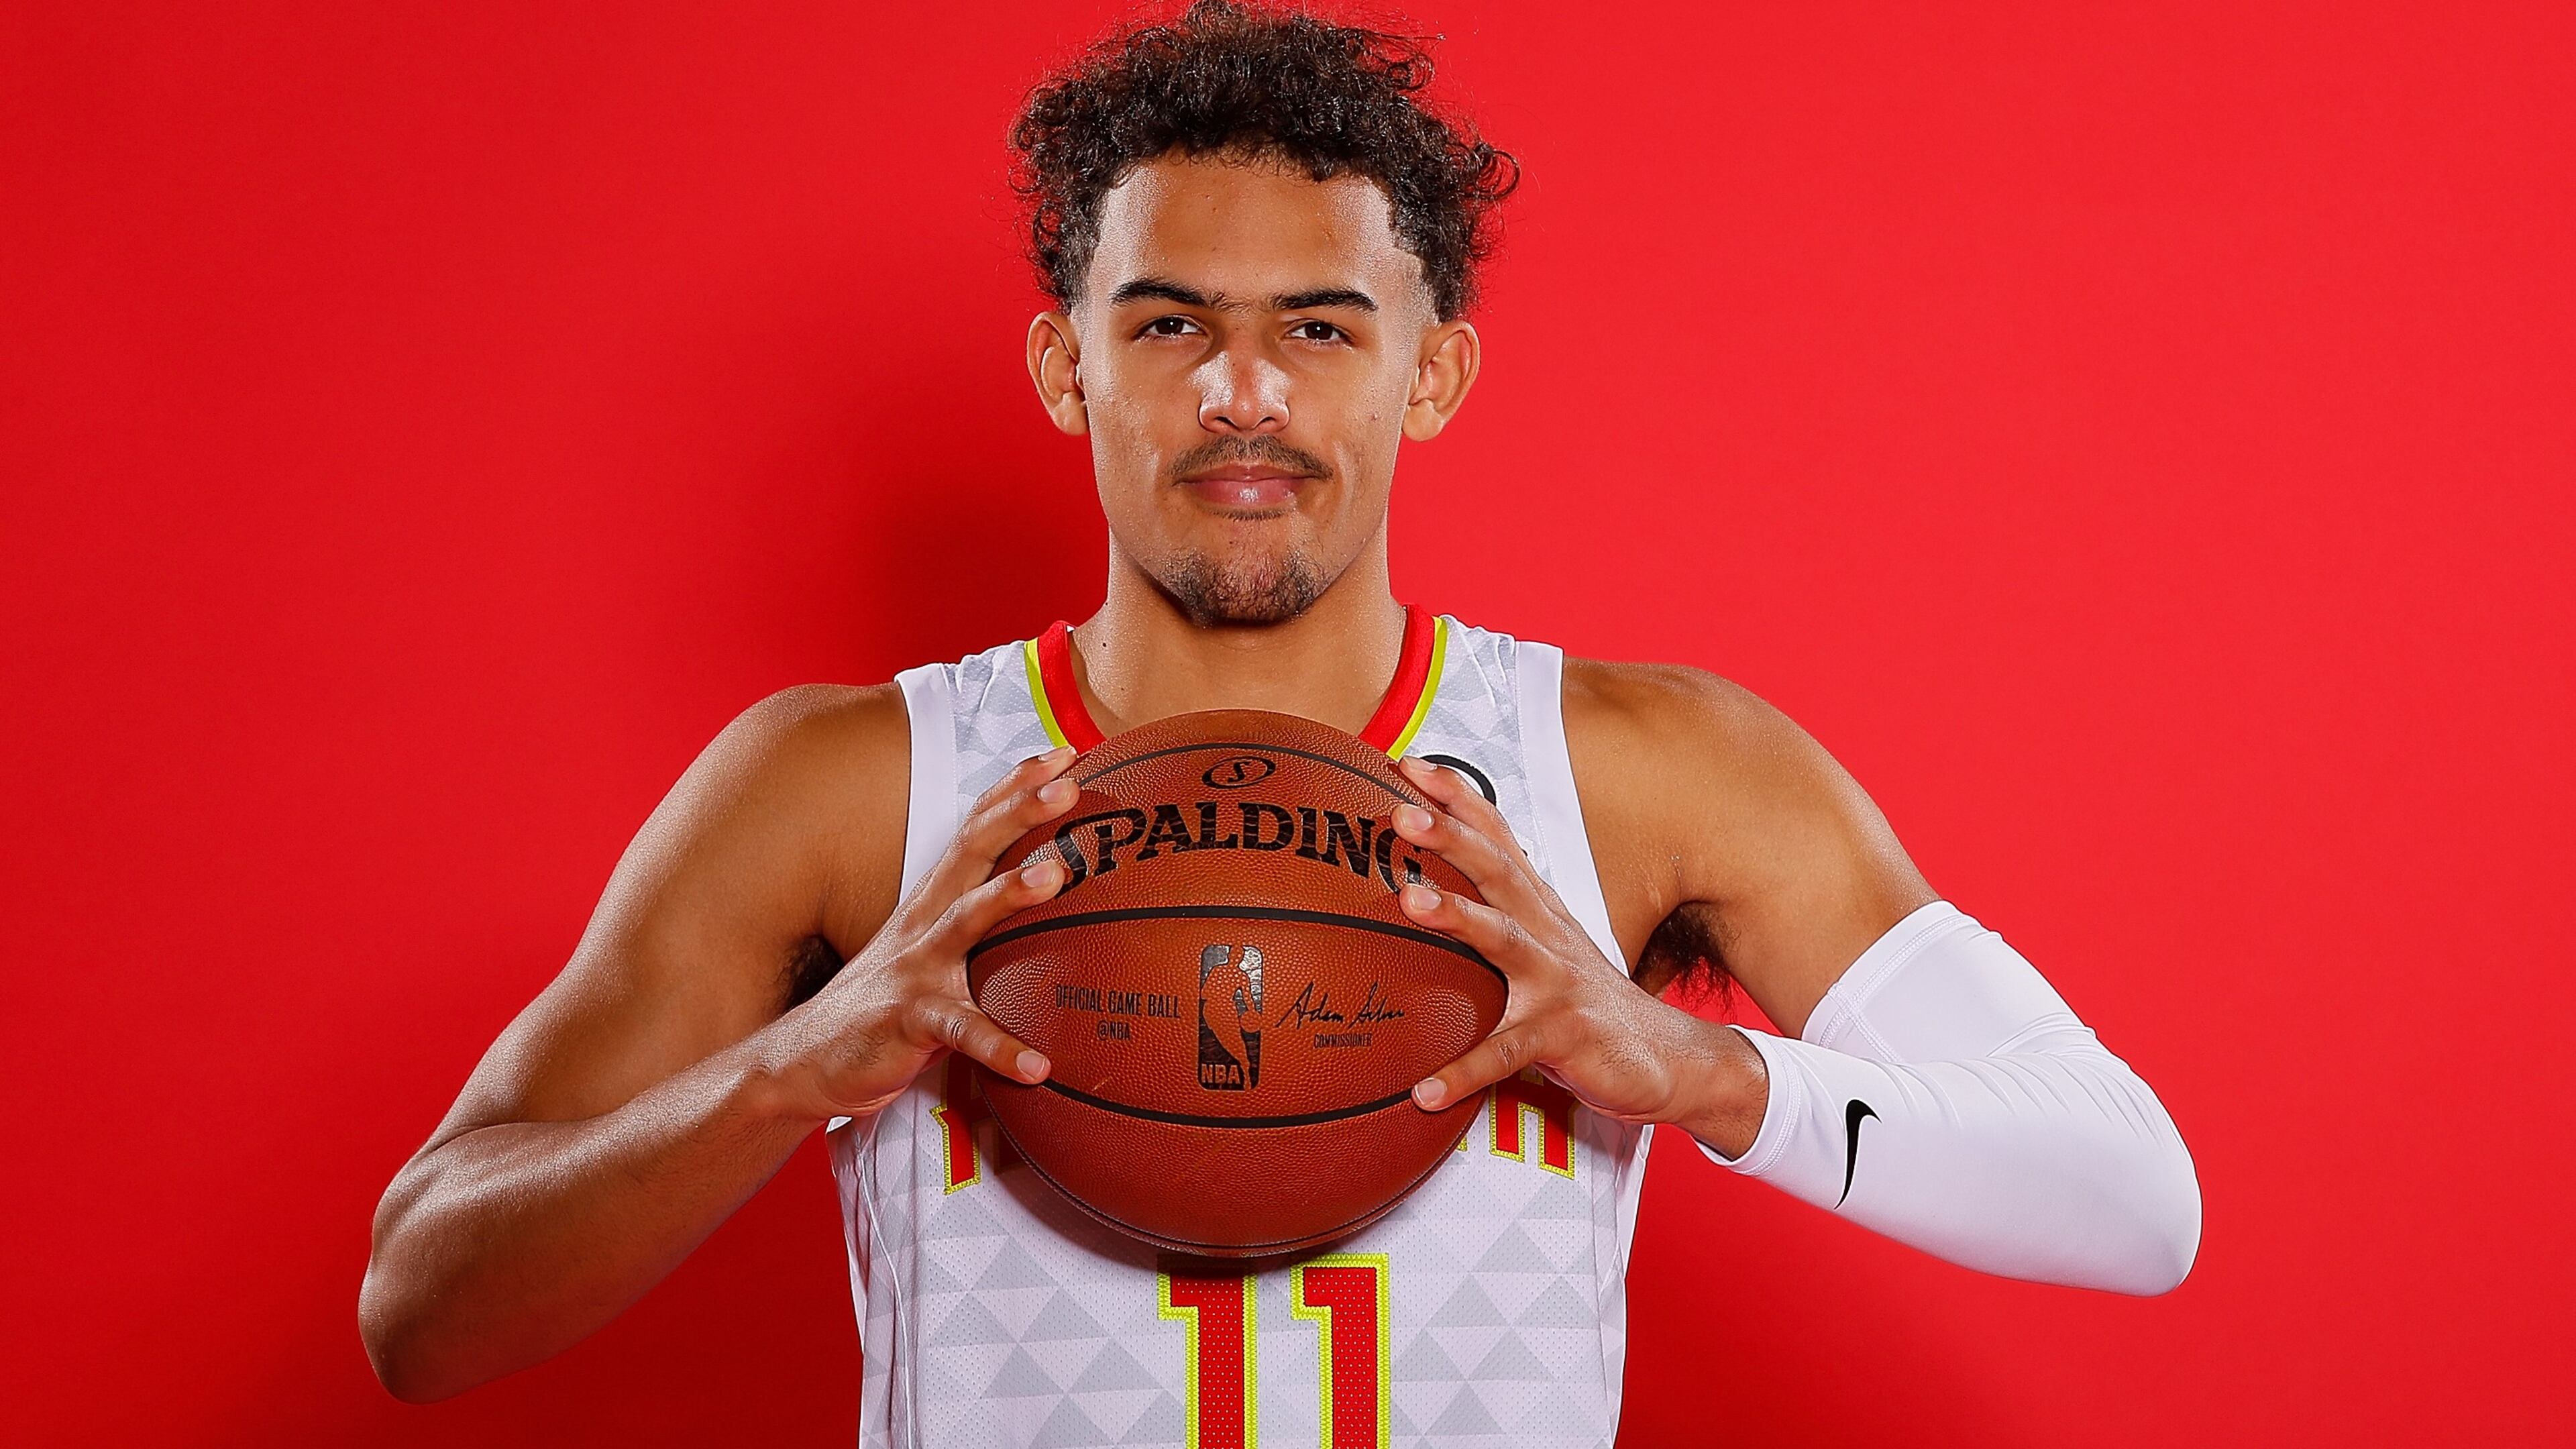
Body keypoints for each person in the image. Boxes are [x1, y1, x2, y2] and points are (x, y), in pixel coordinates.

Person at [360, 4, 2200, 1443]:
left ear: (1437, 366)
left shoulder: (1645, 776)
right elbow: (422, 1306)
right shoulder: (849, 787)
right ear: (1064, 359)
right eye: (1168, 327)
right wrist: (792, 1067)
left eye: (1323, 328)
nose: (1245, 393)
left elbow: (2133, 1196)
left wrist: (1689, 1069)